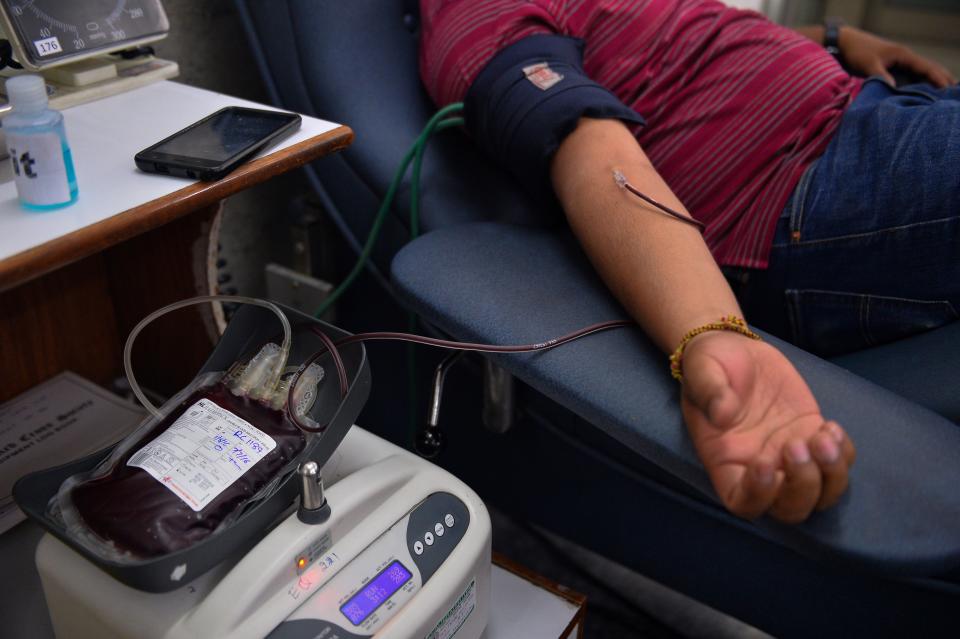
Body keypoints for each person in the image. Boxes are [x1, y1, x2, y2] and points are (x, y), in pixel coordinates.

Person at [418, 0, 959, 524]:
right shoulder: (478, 16)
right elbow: (593, 155)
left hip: (871, 106)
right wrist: (710, 333)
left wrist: (836, 38)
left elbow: (692, 36)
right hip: (807, 185)